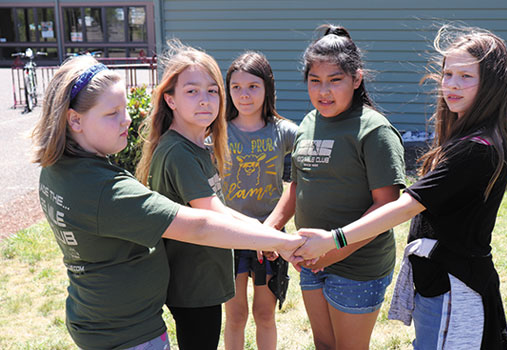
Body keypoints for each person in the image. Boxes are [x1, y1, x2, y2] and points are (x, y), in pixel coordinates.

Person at [31, 54, 304, 350]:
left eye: (212, 90)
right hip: (127, 331)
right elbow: (201, 225)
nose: (128, 119)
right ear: (74, 120)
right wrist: (280, 241)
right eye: (112, 113)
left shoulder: (58, 169)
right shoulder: (105, 189)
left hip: (102, 318)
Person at [295, 25, 507, 350]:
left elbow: (405, 205)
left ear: (492, 82)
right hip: (438, 281)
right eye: (448, 73)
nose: (451, 85)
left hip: (456, 286)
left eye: (466, 76)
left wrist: (333, 240)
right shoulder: (468, 139)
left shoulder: (476, 149)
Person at [264, 25, 406, 350]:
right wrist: (271, 226)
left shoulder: (375, 130)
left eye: (335, 80)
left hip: (357, 265)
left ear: (356, 80)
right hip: (310, 258)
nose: (323, 91)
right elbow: (297, 185)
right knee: (324, 346)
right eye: (315, 81)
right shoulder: (309, 123)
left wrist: (333, 251)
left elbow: (387, 207)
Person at [135, 41, 270, 350]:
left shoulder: (196, 146)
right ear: (170, 100)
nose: (205, 100)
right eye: (191, 91)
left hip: (204, 280)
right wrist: (274, 241)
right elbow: (212, 212)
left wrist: (261, 231)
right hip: (193, 286)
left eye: (212, 91)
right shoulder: (178, 153)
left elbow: (218, 206)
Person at [221, 51, 298, 350]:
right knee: (236, 315)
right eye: (236, 87)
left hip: (270, 238)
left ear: (268, 87)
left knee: (264, 314)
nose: (244, 94)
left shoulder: (285, 131)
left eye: (253, 86)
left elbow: (312, 153)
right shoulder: (218, 131)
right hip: (228, 236)